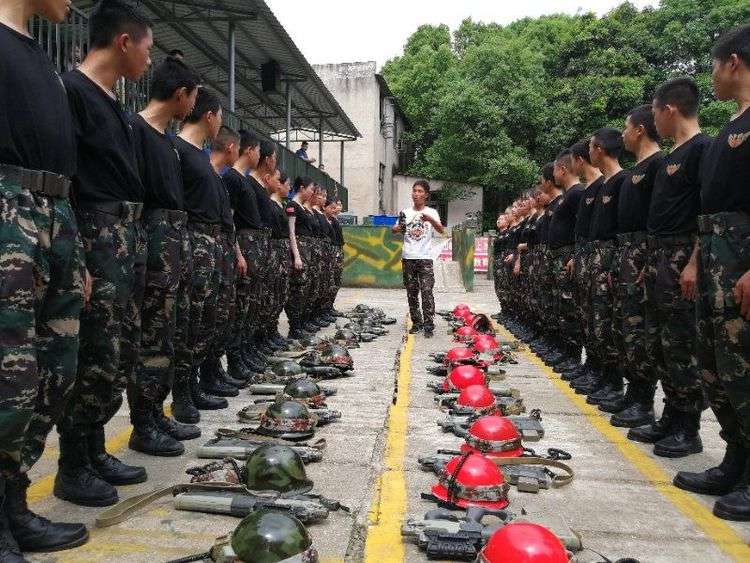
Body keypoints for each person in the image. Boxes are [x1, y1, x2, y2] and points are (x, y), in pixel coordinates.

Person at [54, 0, 153, 508]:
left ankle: (93, 448)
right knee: (94, 350)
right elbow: (66, 176)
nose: (149, 60)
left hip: (123, 234)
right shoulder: (72, 93)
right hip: (95, 232)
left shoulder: (113, 103)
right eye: (147, 47)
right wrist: (77, 255)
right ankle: (72, 463)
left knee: (117, 351)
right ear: (123, 41)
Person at [0, 0, 88, 556]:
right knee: (8, 376)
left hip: (54, 212)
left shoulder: (40, 60)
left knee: (55, 370)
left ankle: (13, 503)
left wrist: (73, 253)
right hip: (8, 208)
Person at [673, 24, 750, 520]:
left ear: (735, 62)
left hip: (744, 257)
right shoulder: (729, 130)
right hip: (716, 253)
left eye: (716, 64)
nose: (713, 75)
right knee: (717, 367)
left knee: (745, 366)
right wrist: (698, 259)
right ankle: (736, 459)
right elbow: (709, 205)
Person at [628, 77, 711, 458]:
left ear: (669, 109)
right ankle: (672, 414)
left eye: (655, 111)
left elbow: (704, 215)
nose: (653, 120)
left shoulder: (701, 150)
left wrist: (694, 262)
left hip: (683, 258)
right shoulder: (670, 158)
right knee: (660, 342)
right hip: (660, 256)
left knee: (681, 343)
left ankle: (688, 426)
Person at [128, 56, 200, 458]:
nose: (193, 107)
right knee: (151, 334)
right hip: (153, 243)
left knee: (168, 334)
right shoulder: (135, 130)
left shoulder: (168, 142)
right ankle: (143, 423)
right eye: (193, 97)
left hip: (174, 242)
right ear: (179, 95)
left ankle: (155, 413)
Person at [171, 87, 228, 424]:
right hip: (191, 245)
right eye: (219, 117)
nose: (220, 124)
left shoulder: (200, 156)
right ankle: (181, 394)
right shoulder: (178, 150)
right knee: (187, 323)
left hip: (209, 247)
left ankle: (192, 385)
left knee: (203, 322)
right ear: (209, 116)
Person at [607, 105, 664, 427]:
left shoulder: (658, 165)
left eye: (627, 127)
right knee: (625, 328)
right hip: (626, 255)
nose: (624, 134)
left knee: (646, 332)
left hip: (647, 256)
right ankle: (632, 393)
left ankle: (647, 402)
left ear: (640, 129)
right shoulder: (635, 173)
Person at [581, 128, 628, 405]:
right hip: (595, 257)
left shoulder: (622, 180)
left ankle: (614, 382)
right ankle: (601, 373)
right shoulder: (602, 185)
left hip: (613, 259)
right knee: (596, 320)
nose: (588, 153)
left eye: (591, 147)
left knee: (611, 323)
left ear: (599, 149)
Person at [201, 126, 244, 398]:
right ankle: (196, 384)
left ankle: (213, 371)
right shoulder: (206, 172)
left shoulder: (217, 177)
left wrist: (236, 253)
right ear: (231, 148)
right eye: (237, 149)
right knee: (202, 320)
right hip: (205, 252)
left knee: (220, 317)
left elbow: (228, 223)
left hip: (222, 252)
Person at [222, 130, 263, 380]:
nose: (259, 155)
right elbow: (230, 220)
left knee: (249, 307)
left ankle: (244, 353)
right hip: (243, 246)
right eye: (257, 150)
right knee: (239, 307)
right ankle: (235, 360)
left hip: (251, 246)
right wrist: (238, 252)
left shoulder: (242, 179)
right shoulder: (233, 179)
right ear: (249, 150)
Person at [567, 140, 604, 388]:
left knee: (601, 318)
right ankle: (591, 367)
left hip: (601, 257)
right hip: (584, 256)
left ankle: (606, 376)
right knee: (586, 315)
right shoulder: (588, 188)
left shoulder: (604, 184)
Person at [548, 149, 584, 375]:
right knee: (562, 307)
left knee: (571, 307)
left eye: (554, 170)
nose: (553, 175)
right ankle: (565, 350)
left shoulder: (577, 193)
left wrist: (576, 255)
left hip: (568, 256)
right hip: (560, 256)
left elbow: (582, 226)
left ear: (562, 169)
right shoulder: (568, 195)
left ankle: (572, 355)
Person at [392, 180, 444, 338]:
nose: (416, 194)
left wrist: (431, 220)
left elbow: (441, 230)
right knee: (411, 291)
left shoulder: (432, 212)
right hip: (408, 257)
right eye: (414, 191)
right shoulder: (405, 212)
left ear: (426, 195)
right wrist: (397, 228)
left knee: (427, 291)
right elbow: (394, 230)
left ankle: (429, 324)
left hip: (425, 258)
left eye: (420, 191)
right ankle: (417, 322)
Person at [285, 177, 316, 339]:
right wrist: (296, 256)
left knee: (304, 289)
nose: (312, 192)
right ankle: (294, 327)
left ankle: (300, 323)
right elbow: (291, 233)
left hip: (307, 251)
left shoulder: (302, 208)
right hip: (300, 251)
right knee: (297, 290)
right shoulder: (292, 206)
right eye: (311, 189)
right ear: (302, 188)